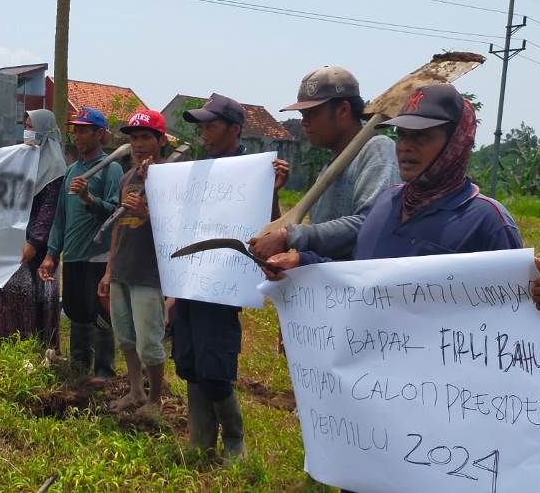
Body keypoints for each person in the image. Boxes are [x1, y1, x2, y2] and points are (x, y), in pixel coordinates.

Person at [263, 84, 540, 307]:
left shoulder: (487, 222)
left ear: (457, 143)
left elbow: (513, 311)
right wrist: (303, 263)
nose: (406, 146)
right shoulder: (386, 203)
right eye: (403, 135)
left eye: (421, 136)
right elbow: (357, 275)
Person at [172, 93, 287, 462]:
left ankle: (235, 439)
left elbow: (266, 229)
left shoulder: (253, 171)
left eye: (212, 125)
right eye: (201, 126)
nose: (204, 132)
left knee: (214, 367)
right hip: (190, 281)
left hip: (222, 285)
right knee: (189, 363)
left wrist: (271, 192)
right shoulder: (197, 170)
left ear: (235, 130)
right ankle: (200, 441)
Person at [248, 66, 399, 261]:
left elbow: (370, 223)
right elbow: (322, 243)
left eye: (312, 113)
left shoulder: (377, 149)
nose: (305, 122)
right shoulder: (329, 168)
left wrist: (290, 236)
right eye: (303, 115)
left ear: (343, 110)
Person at [39, 106, 123, 382]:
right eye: (76, 130)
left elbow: (115, 213)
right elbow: (60, 218)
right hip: (73, 255)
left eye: (85, 130)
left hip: (97, 255)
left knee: (99, 313)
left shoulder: (111, 169)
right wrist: (52, 254)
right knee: (76, 311)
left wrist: (89, 198)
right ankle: (78, 366)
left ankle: (103, 371)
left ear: (100, 134)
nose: (78, 135)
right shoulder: (72, 172)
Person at [97, 110, 170, 415]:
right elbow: (118, 224)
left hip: (148, 271)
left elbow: (177, 226)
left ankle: (155, 400)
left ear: (161, 141)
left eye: (145, 138)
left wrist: (145, 213)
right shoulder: (127, 176)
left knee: (149, 342)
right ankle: (136, 391)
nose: (138, 144)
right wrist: (109, 268)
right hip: (122, 268)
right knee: (125, 336)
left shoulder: (170, 177)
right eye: (133, 138)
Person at [0, 110, 66, 346]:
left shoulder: (53, 167)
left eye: (31, 126)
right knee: (7, 293)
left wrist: (33, 243)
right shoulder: (24, 158)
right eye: (25, 125)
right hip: (13, 237)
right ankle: (3, 344)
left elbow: (48, 211)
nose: (27, 131)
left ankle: (29, 347)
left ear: (44, 131)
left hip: (36, 247)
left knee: (25, 294)